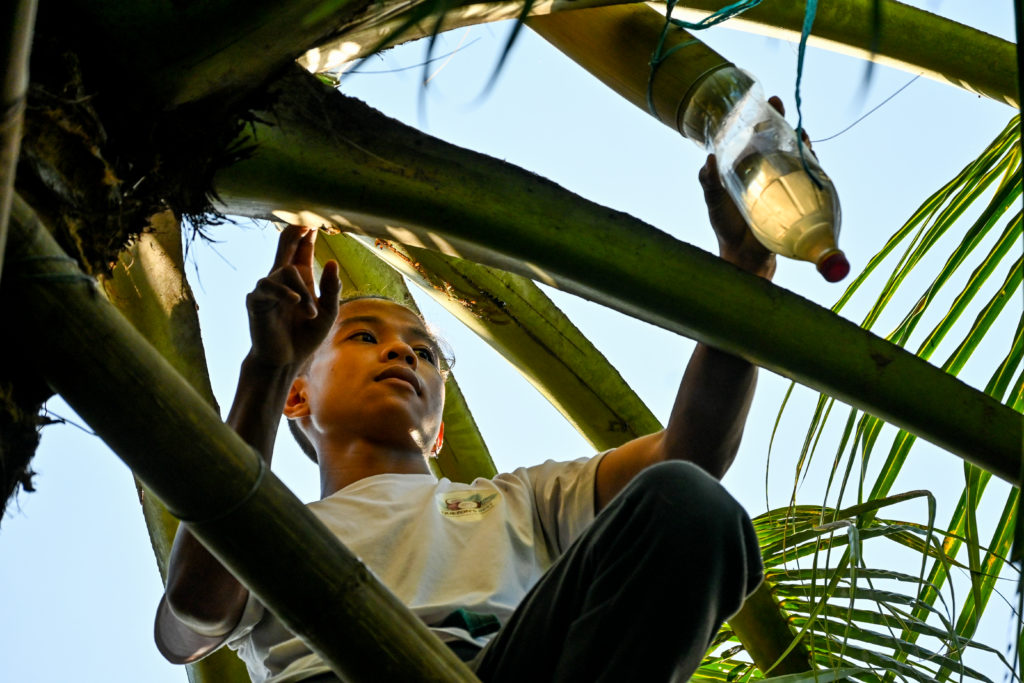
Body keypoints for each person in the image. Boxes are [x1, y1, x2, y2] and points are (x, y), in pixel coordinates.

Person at [154, 145, 779, 682]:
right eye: (363, 337)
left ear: (438, 431)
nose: (402, 350)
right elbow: (192, 615)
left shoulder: (520, 503)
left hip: (501, 667)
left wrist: (745, 277)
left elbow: (690, 456)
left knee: (689, 500)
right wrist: (266, 368)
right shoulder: (265, 527)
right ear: (297, 396)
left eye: (425, 352)